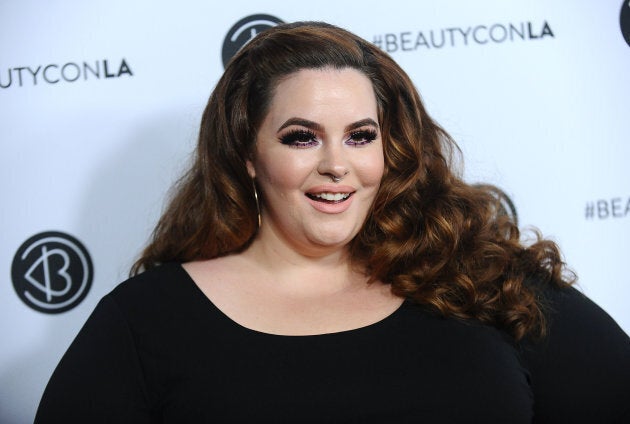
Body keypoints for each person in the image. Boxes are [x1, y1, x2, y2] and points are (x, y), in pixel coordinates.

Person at [35, 21, 629, 423]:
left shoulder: (479, 280)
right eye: (301, 138)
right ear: (247, 154)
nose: (337, 166)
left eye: (360, 137)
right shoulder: (145, 321)